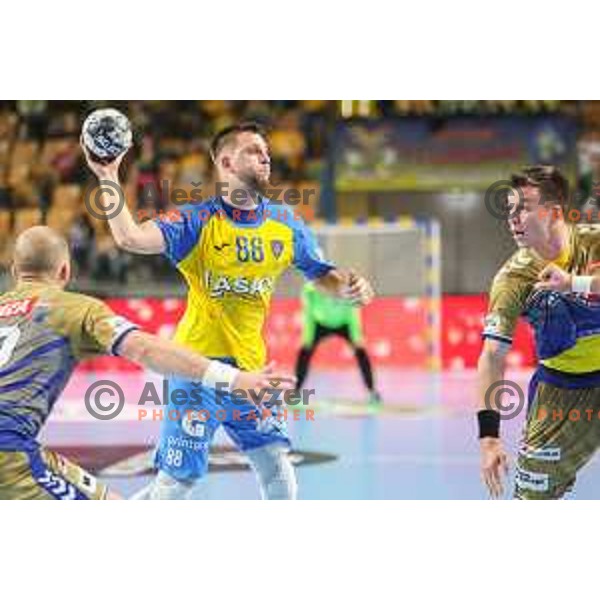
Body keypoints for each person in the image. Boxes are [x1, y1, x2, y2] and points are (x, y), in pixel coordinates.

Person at [83, 121, 374, 500]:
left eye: (267, 152)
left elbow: (322, 274)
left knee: (277, 466)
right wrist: (108, 175)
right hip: (195, 370)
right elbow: (129, 237)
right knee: (176, 484)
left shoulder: (285, 223)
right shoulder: (196, 222)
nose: (265, 157)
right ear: (226, 162)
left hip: (252, 373)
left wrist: (351, 287)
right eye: (253, 150)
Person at [0, 226, 294, 500]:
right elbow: (145, 349)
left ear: (14, 272)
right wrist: (233, 378)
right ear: (65, 271)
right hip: (8, 449)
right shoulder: (75, 309)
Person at [478, 165, 600, 499]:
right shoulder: (513, 279)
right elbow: (492, 356)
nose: (513, 218)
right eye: (509, 210)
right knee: (532, 501)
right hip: (562, 391)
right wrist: (489, 439)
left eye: (524, 208)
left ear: (554, 212)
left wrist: (575, 283)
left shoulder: (594, 241)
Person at [295, 282, 382, 404]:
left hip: (344, 323)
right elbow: (308, 312)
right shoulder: (310, 290)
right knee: (304, 352)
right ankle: (296, 391)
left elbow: (353, 313)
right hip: (319, 323)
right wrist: (307, 338)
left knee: (361, 352)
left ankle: (372, 391)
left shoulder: (347, 290)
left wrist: (357, 338)